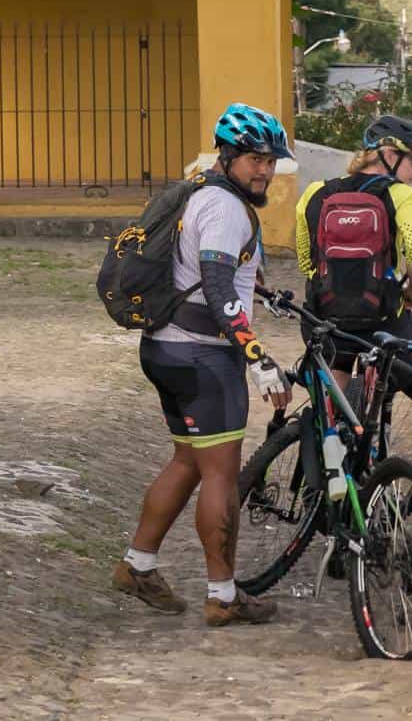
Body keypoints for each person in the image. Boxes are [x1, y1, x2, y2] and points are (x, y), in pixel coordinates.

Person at [114, 102, 291, 626]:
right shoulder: (226, 208)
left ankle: (137, 566)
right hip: (202, 356)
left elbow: (211, 269)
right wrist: (254, 353)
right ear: (230, 155)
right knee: (221, 474)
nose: (265, 170)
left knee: (189, 462)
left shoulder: (199, 193)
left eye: (271, 161)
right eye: (255, 159)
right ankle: (223, 595)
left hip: (165, 348)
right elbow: (216, 285)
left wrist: (260, 290)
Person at [296, 114, 412, 482]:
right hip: (382, 317)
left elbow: (306, 256)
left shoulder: (316, 192)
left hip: (326, 316)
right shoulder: (402, 195)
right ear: (388, 154)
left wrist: (331, 291)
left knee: (333, 392)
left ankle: (324, 481)